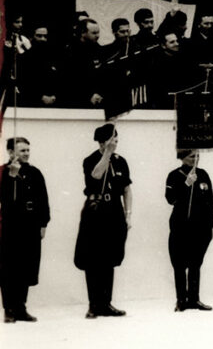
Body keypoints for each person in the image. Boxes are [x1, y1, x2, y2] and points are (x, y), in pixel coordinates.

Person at [73, 124, 131, 318]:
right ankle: (94, 304)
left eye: (117, 138)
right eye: (112, 139)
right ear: (102, 141)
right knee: (92, 258)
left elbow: (126, 189)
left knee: (110, 257)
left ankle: (106, 303)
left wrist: (128, 214)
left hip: (114, 210)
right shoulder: (90, 160)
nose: (116, 142)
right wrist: (106, 154)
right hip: (95, 210)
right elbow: (96, 175)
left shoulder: (121, 161)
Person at [0, 137, 49, 323]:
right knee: (9, 268)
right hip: (11, 226)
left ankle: (21, 307)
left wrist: (44, 223)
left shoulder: (35, 173)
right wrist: (11, 177)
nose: (26, 153)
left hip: (31, 224)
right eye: (22, 150)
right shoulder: (3, 172)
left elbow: (43, 199)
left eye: (28, 150)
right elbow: (4, 198)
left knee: (26, 267)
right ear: (11, 152)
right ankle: (9, 309)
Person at [165, 149, 213, 312]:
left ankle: (194, 299)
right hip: (181, 226)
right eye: (192, 156)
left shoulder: (204, 174)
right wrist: (186, 184)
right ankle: (181, 300)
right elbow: (170, 198)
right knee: (179, 264)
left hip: (200, 227)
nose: (196, 159)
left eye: (198, 156)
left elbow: (210, 202)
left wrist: (211, 225)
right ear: (182, 158)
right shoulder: (174, 175)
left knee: (195, 264)